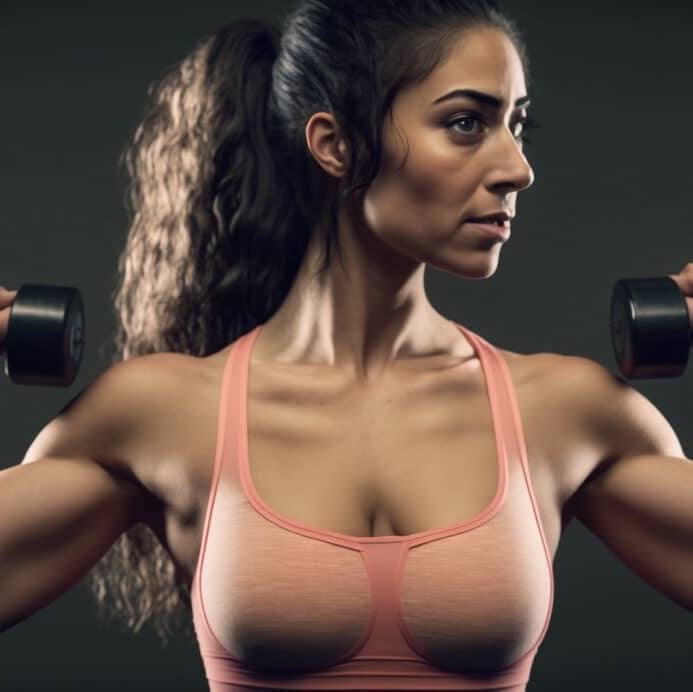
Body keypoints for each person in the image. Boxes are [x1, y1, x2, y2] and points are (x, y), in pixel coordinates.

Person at [1, 0, 692, 690]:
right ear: (335, 144)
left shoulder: (564, 412)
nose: (517, 169)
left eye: (515, 126)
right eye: (464, 124)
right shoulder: (164, 414)